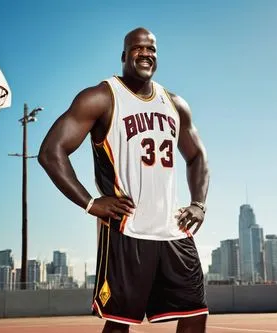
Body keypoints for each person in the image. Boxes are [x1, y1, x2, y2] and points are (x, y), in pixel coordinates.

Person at [38, 27, 210, 333]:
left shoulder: (175, 104)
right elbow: (51, 153)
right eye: (138, 48)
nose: (146, 54)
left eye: (152, 49)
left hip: (173, 229)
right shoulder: (101, 97)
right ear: (124, 55)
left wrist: (198, 203)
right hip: (126, 228)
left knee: (196, 313)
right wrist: (90, 203)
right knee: (120, 324)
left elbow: (197, 156)